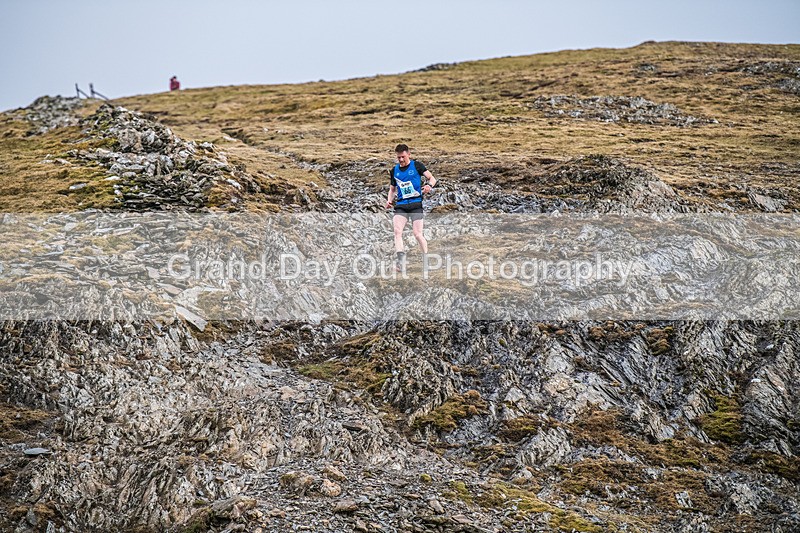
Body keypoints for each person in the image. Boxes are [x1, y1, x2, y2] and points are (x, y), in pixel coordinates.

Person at [384, 143, 437, 271]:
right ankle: (400, 262)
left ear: (409, 154)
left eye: (403, 157)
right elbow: (392, 189)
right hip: (401, 205)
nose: (401, 160)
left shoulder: (417, 166)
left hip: (415, 205)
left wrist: (429, 186)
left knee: (417, 234)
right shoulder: (394, 171)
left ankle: (426, 260)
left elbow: (432, 178)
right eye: (399, 157)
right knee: (397, 231)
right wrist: (389, 200)